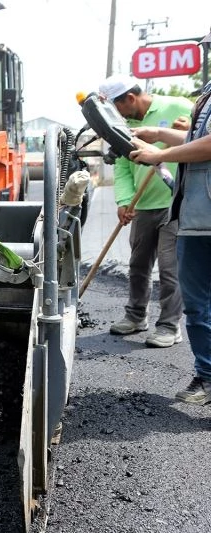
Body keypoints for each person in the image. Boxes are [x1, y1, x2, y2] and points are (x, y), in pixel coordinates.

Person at [128, 54, 211, 402]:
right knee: (198, 304)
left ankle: (208, 378)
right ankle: (207, 377)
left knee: (200, 302)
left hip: (204, 215)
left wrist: (157, 154)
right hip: (195, 215)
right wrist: (161, 134)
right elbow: (196, 139)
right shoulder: (207, 92)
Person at [98, 74, 193, 347]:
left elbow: (200, 140)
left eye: (116, 107)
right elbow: (122, 168)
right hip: (142, 206)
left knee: (169, 267)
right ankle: (136, 316)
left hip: (176, 202)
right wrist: (124, 201)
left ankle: (169, 326)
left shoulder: (178, 106)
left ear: (130, 98)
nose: (115, 114)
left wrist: (184, 130)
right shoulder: (122, 125)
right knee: (138, 266)